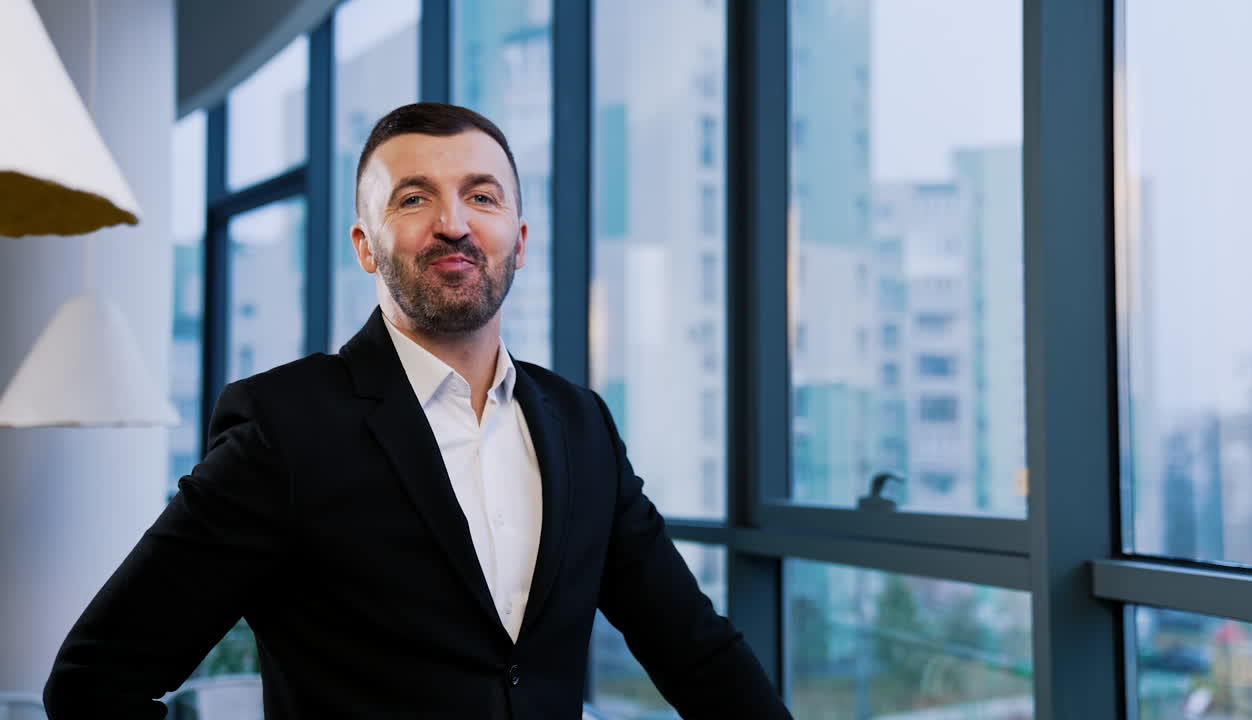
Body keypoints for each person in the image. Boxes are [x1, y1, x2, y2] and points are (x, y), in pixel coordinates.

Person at [43, 102, 791, 719]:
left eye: (483, 196)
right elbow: (92, 683)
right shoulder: (283, 428)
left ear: (520, 242)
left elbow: (696, 652)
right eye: (414, 198)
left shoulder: (580, 424)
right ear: (366, 247)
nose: (455, 223)